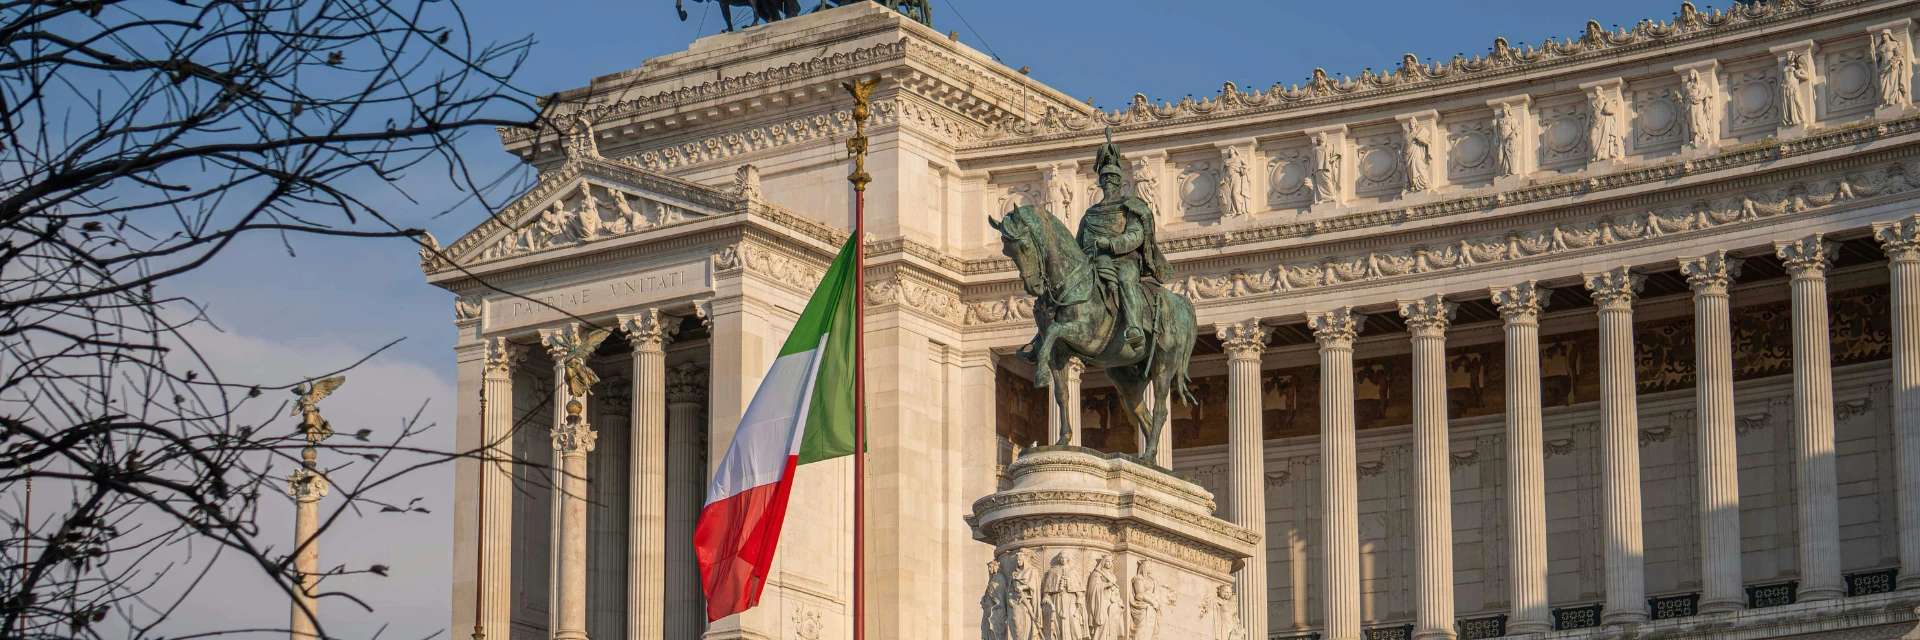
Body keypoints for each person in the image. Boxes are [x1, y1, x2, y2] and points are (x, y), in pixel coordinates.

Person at [1077, 129, 1174, 349]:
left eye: (1113, 178)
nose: (1109, 182)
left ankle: (1134, 327)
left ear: (1121, 182)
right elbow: (1078, 246)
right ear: (1100, 183)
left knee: (1128, 279)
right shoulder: (1090, 214)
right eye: (1105, 178)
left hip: (1124, 261)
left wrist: (1110, 244)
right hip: (1094, 264)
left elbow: (1136, 236)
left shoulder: (1129, 207)